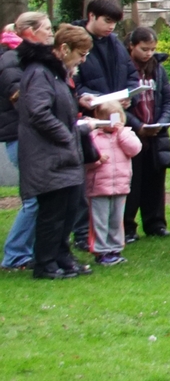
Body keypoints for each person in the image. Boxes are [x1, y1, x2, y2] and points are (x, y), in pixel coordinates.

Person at [17, 25, 102, 279]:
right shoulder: (40, 72)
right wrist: (67, 135)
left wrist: (77, 105)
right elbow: (38, 112)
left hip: (63, 155)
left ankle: (62, 256)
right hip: (48, 155)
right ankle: (45, 263)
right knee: (52, 213)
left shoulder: (56, 74)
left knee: (68, 210)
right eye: (81, 54)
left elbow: (58, 106)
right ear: (64, 49)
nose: (83, 60)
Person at [1, 12, 53, 270]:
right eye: (47, 28)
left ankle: (26, 251)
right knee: (34, 199)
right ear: (30, 32)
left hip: (27, 135)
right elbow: (19, 98)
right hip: (21, 137)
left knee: (40, 197)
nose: (51, 33)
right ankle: (15, 254)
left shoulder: (26, 58)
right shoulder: (12, 59)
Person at [122, 27, 170, 242]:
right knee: (132, 182)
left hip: (156, 133)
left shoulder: (158, 69)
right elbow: (120, 104)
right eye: (144, 49)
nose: (149, 53)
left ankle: (155, 223)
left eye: (152, 49)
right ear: (131, 46)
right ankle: (127, 226)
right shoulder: (124, 69)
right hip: (132, 132)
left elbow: (168, 99)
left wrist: (162, 123)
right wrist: (138, 126)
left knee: (155, 180)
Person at [84, 109, 142, 265]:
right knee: (100, 220)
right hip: (98, 187)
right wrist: (97, 160)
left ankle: (115, 248)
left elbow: (134, 149)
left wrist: (121, 132)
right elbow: (85, 159)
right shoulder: (93, 136)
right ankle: (101, 251)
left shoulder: (126, 134)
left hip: (120, 186)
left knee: (116, 220)